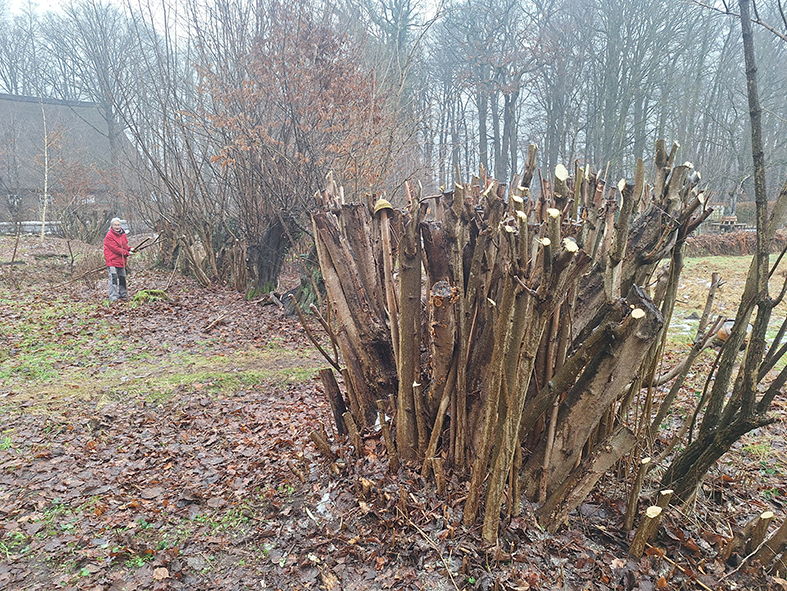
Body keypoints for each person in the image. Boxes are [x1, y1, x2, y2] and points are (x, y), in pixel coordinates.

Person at [103, 218, 133, 302]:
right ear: (112, 226)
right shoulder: (109, 236)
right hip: (112, 260)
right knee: (114, 278)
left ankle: (123, 294)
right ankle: (113, 297)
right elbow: (115, 248)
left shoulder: (123, 234)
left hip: (121, 260)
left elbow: (124, 246)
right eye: (115, 225)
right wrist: (127, 253)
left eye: (118, 225)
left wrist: (130, 249)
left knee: (122, 277)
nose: (117, 227)